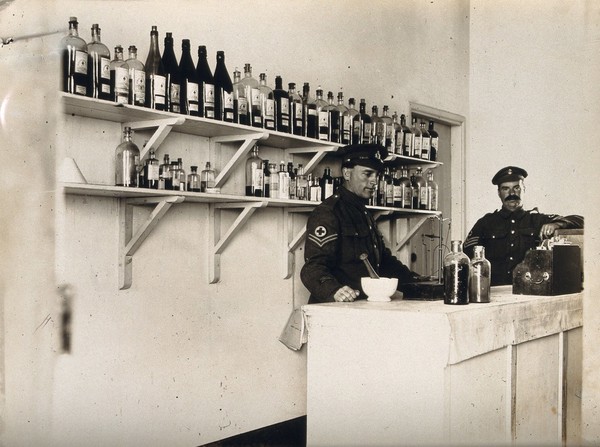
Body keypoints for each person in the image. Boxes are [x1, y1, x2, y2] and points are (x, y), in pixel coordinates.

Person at [300, 143, 422, 304]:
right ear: (347, 173)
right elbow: (313, 267)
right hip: (335, 307)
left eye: (376, 175)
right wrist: (334, 290)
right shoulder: (329, 212)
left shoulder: (364, 213)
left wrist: (420, 283)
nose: (374, 181)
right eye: (367, 174)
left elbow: (384, 262)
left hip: (362, 306)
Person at [463, 166, 583, 286]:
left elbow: (580, 220)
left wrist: (558, 224)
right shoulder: (486, 223)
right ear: (499, 193)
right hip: (493, 290)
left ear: (524, 189)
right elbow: (467, 254)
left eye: (516, 188)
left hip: (531, 290)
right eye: (505, 189)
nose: (511, 193)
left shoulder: (537, 219)